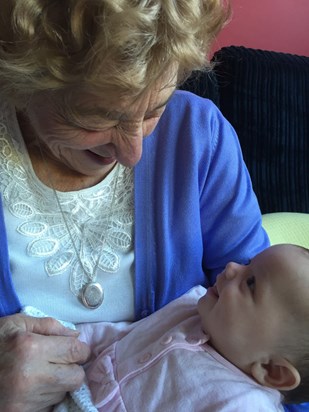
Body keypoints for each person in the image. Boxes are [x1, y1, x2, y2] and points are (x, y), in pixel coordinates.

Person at [1, 0, 286, 410]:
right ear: (24, 79)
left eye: (156, 108)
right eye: (97, 117)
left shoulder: (199, 135)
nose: (133, 151)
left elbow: (283, 342)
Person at [24, 244, 309, 411]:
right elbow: (122, 334)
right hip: (68, 394)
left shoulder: (243, 405)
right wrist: (67, 338)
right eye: (248, 263)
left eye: (250, 283)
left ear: (273, 371)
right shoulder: (194, 306)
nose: (233, 266)